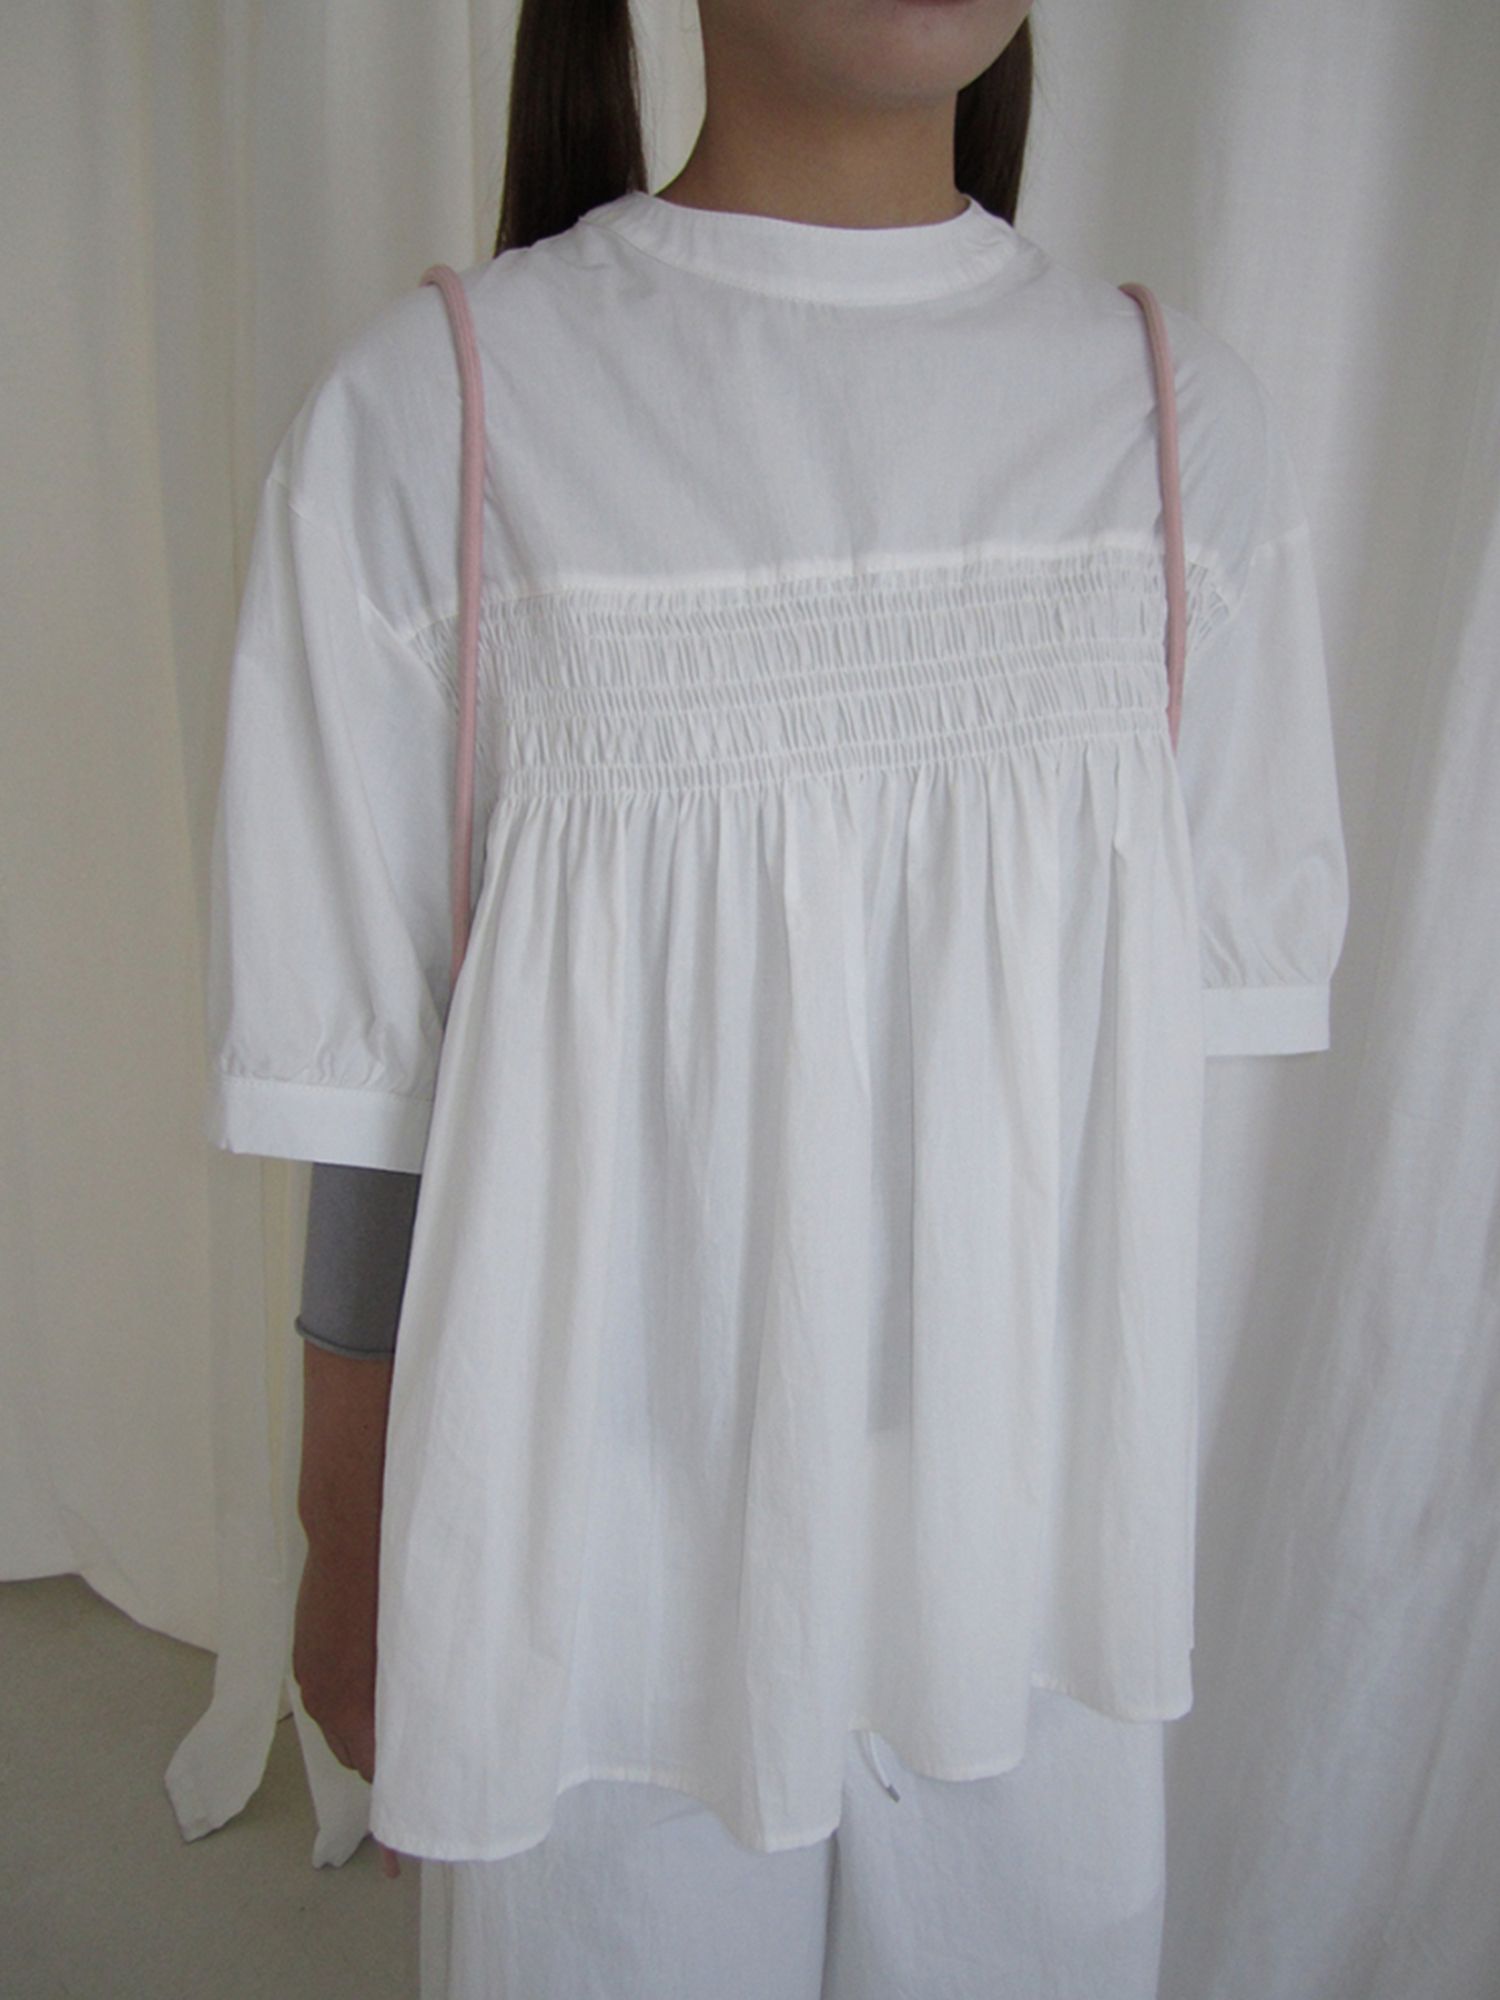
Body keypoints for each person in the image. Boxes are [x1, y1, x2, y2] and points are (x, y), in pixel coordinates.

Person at [203, 0, 1350, 1992]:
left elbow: (1153, 1117)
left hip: (1016, 1576)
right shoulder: (437, 419)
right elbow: (377, 1087)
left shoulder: (1177, 431)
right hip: (596, 1567)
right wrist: (355, 1537)